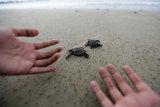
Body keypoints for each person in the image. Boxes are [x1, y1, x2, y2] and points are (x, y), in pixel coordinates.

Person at [0, 27, 160, 107]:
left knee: (89, 46)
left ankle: (87, 49)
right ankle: (86, 50)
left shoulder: (87, 45)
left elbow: (85, 47)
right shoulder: (80, 49)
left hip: (83, 48)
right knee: (85, 49)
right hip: (82, 49)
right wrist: (79, 52)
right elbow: (80, 50)